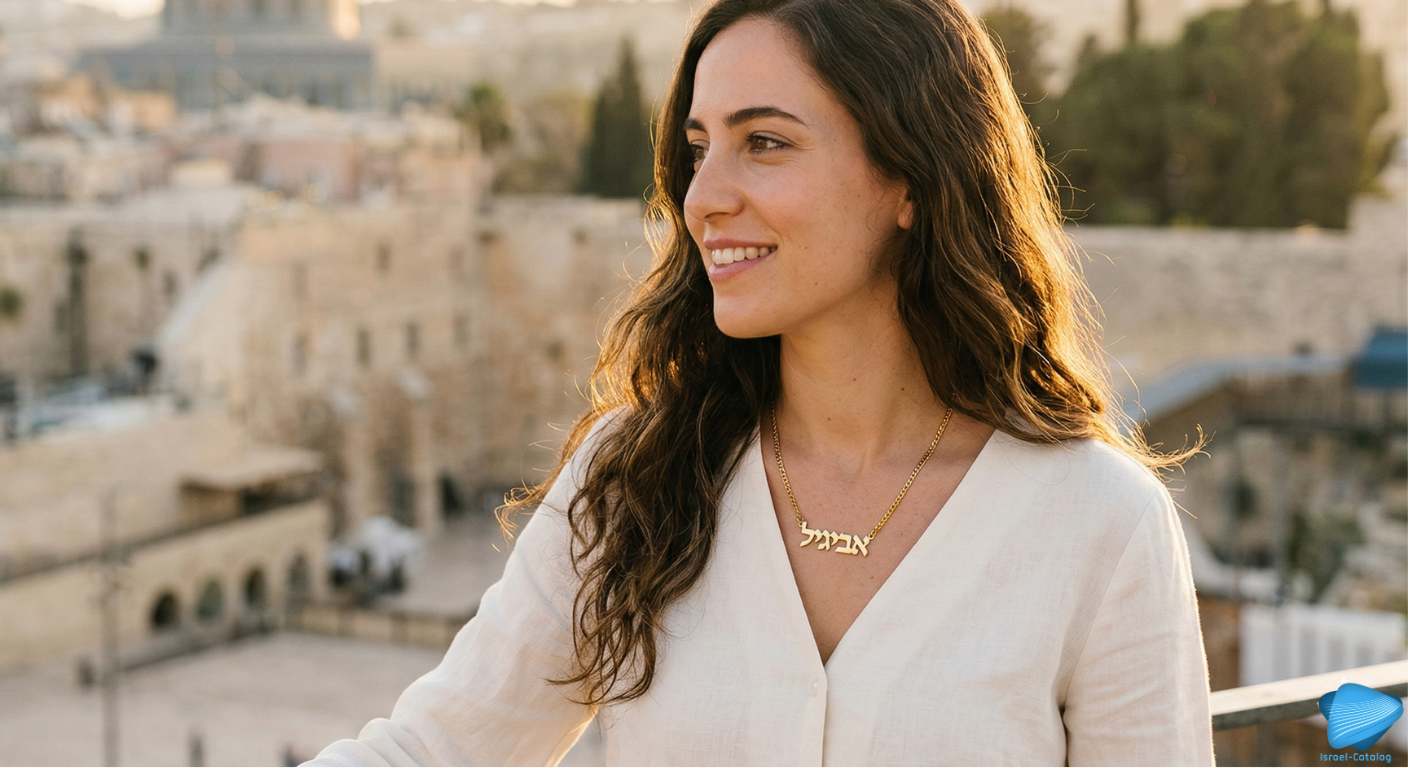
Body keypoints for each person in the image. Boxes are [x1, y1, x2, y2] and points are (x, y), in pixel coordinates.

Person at [304, 0, 1215, 764]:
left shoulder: (1097, 525)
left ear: (911, 178)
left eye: (765, 143)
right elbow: (433, 751)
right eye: (700, 148)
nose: (703, 197)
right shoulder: (634, 478)